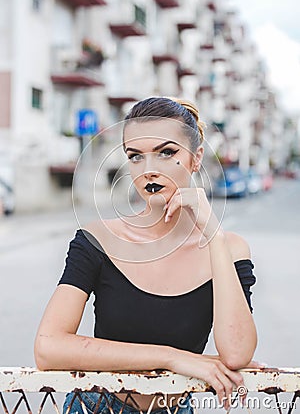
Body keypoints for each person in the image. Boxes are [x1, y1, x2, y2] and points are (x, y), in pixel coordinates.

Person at [34, 97, 260, 414]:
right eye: (135, 156)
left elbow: (236, 354)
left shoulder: (228, 249)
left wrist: (212, 234)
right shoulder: (98, 239)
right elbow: (48, 346)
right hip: (99, 408)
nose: (149, 169)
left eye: (167, 153)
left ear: (196, 159)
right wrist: (172, 357)